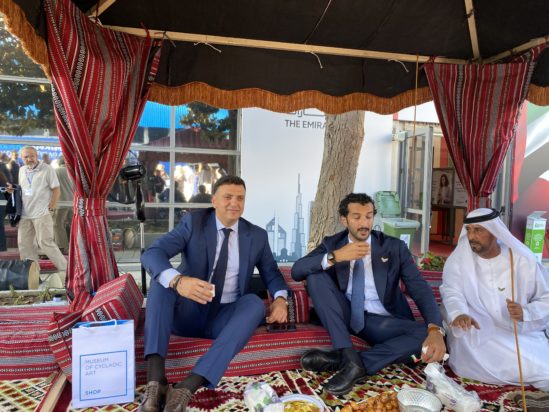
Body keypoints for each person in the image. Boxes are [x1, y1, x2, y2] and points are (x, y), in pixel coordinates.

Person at [140, 175, 289, 412]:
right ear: (214, 201)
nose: (234, 203)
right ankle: (156, 381)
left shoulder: (256, 236)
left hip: (223, 318)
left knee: (254, 303)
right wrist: (178, 281)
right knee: (162, 281)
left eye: (240, 198)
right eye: (228, 197)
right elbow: (152, 253)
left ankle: (187, 386)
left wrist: (280, 299)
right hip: (188, 312)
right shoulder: (194, 223)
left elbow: (272, 274)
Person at [292, 193, 446, 396]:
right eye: (357, 217)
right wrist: (336, 256)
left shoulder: (394, 247)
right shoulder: (333, 243)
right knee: (315, 277)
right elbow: (297, 270)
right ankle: (347, 351)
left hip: (381, 321)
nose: (364, 223)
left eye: (369, 216)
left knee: (426, 335)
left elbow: (419, 288)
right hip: (345, 316)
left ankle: (351, 363)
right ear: (344, 219)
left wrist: (435, 329)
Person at [441, 207, 549, 390]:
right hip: (478, 326)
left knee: (541, 368)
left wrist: (526, 312)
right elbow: (452, 291)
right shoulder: (459, 259)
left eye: (478, 230)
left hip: (517, 330)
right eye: (469, 230)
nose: (472, 236)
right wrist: (459, 313)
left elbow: (546, 297)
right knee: (466, 337)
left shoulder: (522, 260)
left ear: (494, 231)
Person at [6, 146, 67, 284]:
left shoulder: (47, 169)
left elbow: (56, 190)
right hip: (25, 214)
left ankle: (66, 270)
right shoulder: (22, 170)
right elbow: (24, 189)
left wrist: (51, 208)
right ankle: (31, 275)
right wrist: (13, 190)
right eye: (26, 157)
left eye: (32, 156)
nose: (29, 159)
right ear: (22, 158)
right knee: (25, 245)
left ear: (36, 155)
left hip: (42, 213)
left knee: (45, 242)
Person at [53, 155, 74, 254]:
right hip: (72, 202)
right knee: (74, 224)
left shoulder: (56, 171)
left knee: (57, 224)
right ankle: (76, 245)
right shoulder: (73, 172)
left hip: (61, 203)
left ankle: (62, 246)